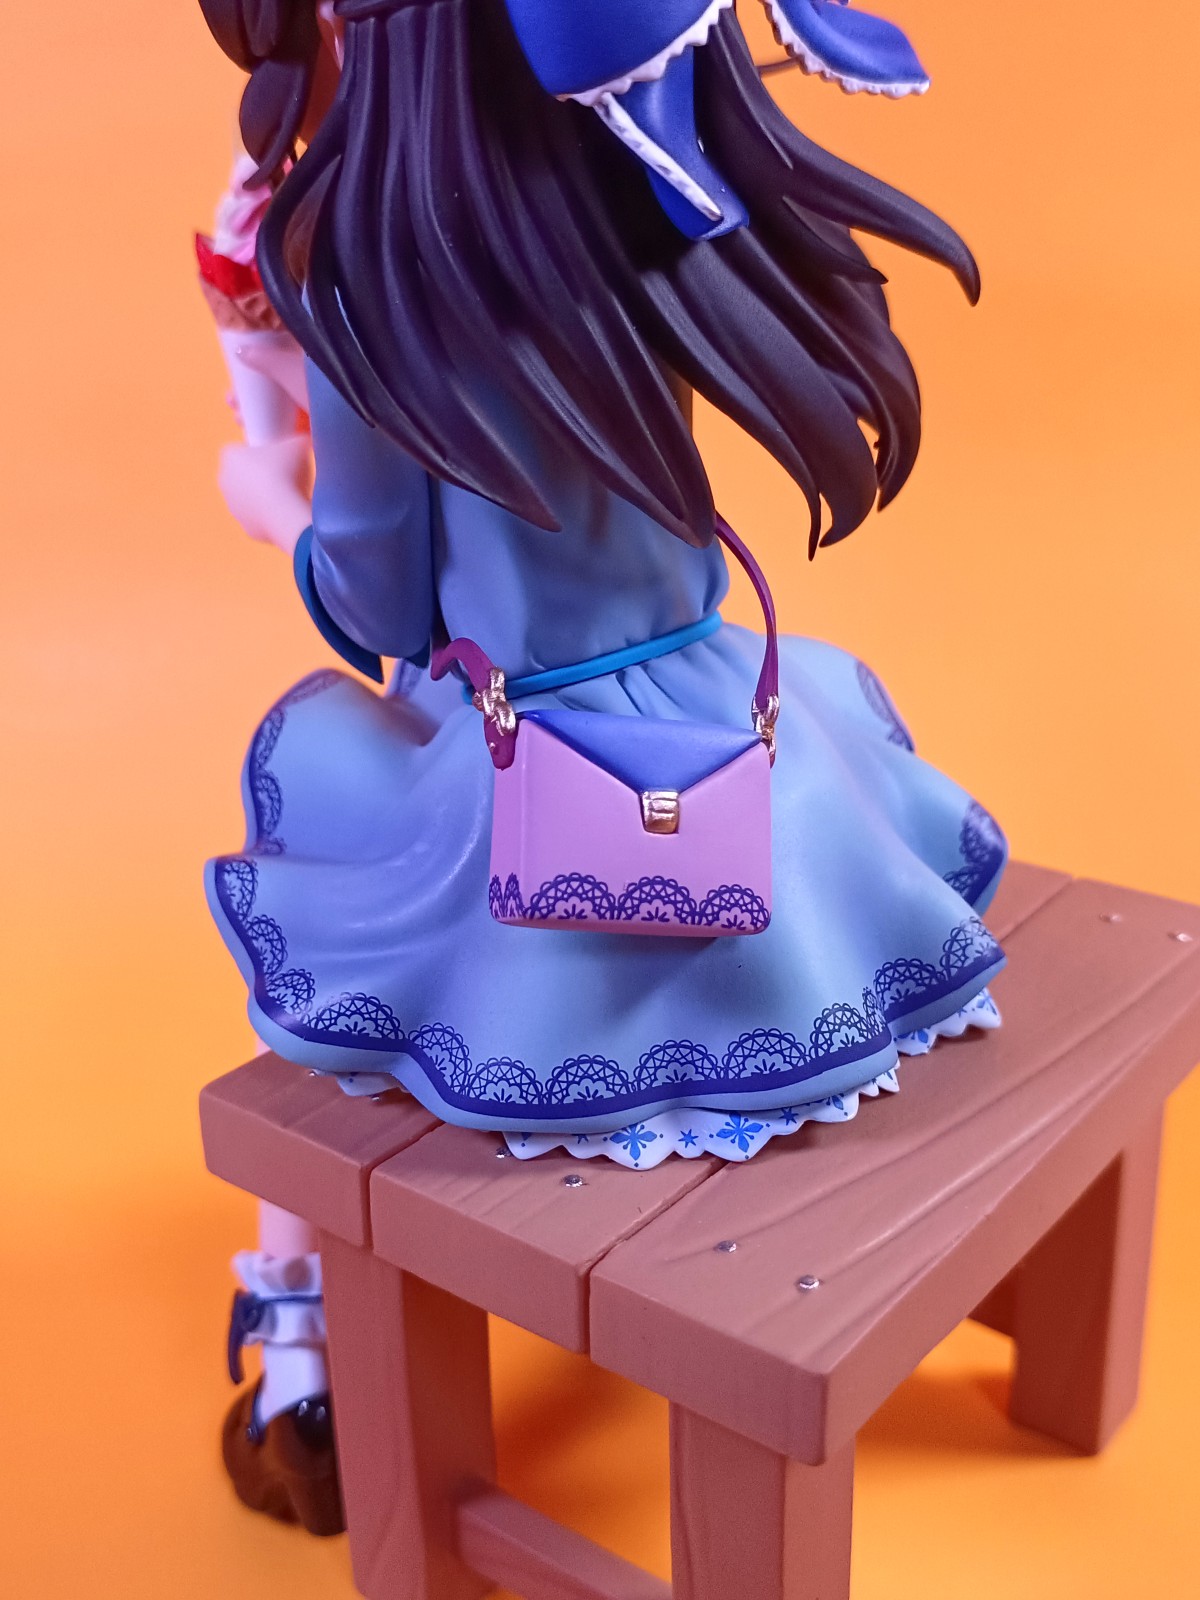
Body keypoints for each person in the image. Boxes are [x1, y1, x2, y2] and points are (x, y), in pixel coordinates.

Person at [197, 0, 1006, 1530]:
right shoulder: (650, 200)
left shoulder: (373, 279)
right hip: (733, 736)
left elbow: (381, 611)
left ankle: (298, 1343)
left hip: (535, 778)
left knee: (320, 916)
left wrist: (270, 493)